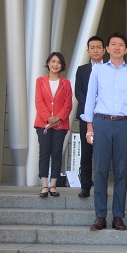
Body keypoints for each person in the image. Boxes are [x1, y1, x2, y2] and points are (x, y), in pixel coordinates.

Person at [81, 32, 127, 231]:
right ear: (107, 49)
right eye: (113, 44)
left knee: (121, 171)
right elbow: (90, 99)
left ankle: (118, 215)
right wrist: (89, 126)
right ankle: (100, 215)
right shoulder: (98, 71)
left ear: (126, 50)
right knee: (99, 170)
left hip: (125, 124)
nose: (117, 47)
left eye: (121, 45)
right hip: (102, 122)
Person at [35, 52, 73, 198]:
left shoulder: (66, 83)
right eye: (53, 61)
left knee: (57, 153)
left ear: (62, 65)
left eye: (58, 62)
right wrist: (48, 118)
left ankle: (53, 185)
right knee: (44, 153)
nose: (55, 64)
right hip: (42, 124)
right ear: (48, 63)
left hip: (60, 125)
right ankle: (44, 185)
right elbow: (39, 102)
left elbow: (68, 104)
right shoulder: (40, 81)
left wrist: (58, 118)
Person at [75, 36, 105, 198]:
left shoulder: (109, 68)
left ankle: (101, 187)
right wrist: (90, 107)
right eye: (92, 47)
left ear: (104, 50)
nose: (95, 50)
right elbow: (78, 91)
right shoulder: (82, 69)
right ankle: (85, 186)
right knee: (86, 152)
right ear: (88, 51)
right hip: (87, 117)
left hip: (104, 117)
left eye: (98, 47)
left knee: (102, 153)